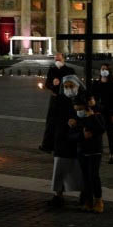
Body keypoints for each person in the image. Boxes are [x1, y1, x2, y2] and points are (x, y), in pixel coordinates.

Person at [49, 75, 85, 207]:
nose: (69, 89)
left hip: (78, 138)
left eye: (71, 86)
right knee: (59, 166)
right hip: (62, 137)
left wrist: (78, 121)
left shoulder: (83, 99)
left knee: (80, 167)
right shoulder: (59, 99)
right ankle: (58, 194)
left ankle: (84, 193)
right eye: (66, 87)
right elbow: (52, 118)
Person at [69, 95, 106, 213]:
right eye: (76, 110)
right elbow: (70, 135)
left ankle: (99, 201)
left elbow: (101, 129)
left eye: (80, 109)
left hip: (95, 151)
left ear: (86, 107)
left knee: (94, 175)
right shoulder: (75, 119)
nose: (78, 112)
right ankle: (88, 201)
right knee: (85, 177)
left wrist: (92, 117)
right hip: (82, 151)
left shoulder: (97, 115)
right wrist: (81, 136)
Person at [40, 53, 75, 153]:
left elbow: (73, 83)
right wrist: (52, 84)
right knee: (51, 122)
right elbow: (47, 84)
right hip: (55, 99)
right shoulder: (52, 70)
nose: (57, 61)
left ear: (63, 59)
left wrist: (62, 82)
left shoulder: (69, 70)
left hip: (65, 100)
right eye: (56, 59)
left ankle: (63, 145)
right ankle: (47, 145)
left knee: (64, 122)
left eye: (59, 59)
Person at [91, 63, 113, 164]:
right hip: (98, 112)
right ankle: (98, 151)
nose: (103, 70)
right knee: (97, 133)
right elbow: (92, 98)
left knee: (110, 134)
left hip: (110, 112)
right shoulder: (96, 83)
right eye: (102, 68)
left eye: (105, 69)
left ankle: (112, 154)